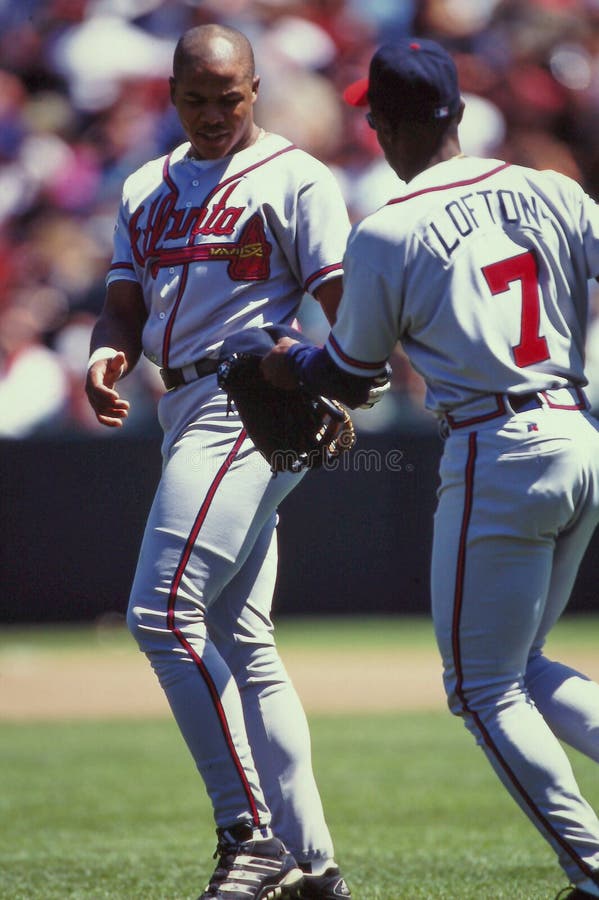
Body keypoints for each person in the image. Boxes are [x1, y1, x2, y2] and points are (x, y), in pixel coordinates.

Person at [262, 37, 599, 899]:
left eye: (372, 115)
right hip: (577, 430)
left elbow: (351, 376)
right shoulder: (548, 186)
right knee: (519, 667)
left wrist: (285, 363)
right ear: (454, 112)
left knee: (481, 690)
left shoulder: (388, 229)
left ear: (386, 124)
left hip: (498, 447)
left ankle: (593, 869)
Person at [85, 24, 352, 900]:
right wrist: (104, 353)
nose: (211, 112)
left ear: (255, 89)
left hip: (248, 398)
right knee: (242, 639)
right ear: (170, 91)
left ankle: (250, 836)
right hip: (181, 401)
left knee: (161, 614)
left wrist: (336, 375)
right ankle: (313, 867)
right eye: (195, 97)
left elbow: (343, 300)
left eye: (228, 96)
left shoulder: (293, 176)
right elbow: (122, 304)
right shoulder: (144, 187)